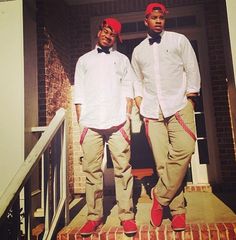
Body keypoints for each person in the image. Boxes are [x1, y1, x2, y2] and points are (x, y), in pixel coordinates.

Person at [131, 3, 201, 231]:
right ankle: (178, 210)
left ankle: (159, 197)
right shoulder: (139, 50)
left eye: (161, 17)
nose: (158, 20)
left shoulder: (179, 40)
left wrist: (191, 98)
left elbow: (192, 68)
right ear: (146, 21)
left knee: (185, 150)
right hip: (153, 111)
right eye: (154, 17)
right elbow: (136, 81)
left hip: (179, 105)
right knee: (163, 163)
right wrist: (141, 104)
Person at [74, 17, 138, 237]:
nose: (107, 36)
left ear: (116, 39)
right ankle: (94, 217)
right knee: (92, 172)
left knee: (123, 170)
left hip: (117, 122)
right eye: (105, 31)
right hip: (91, 124)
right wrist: (81, 121)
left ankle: (126, 215)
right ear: (99, 31)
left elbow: (128, 89)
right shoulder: (83, 60)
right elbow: (79, 93)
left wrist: (127, 115)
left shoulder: (122, 60)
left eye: (112, 34)